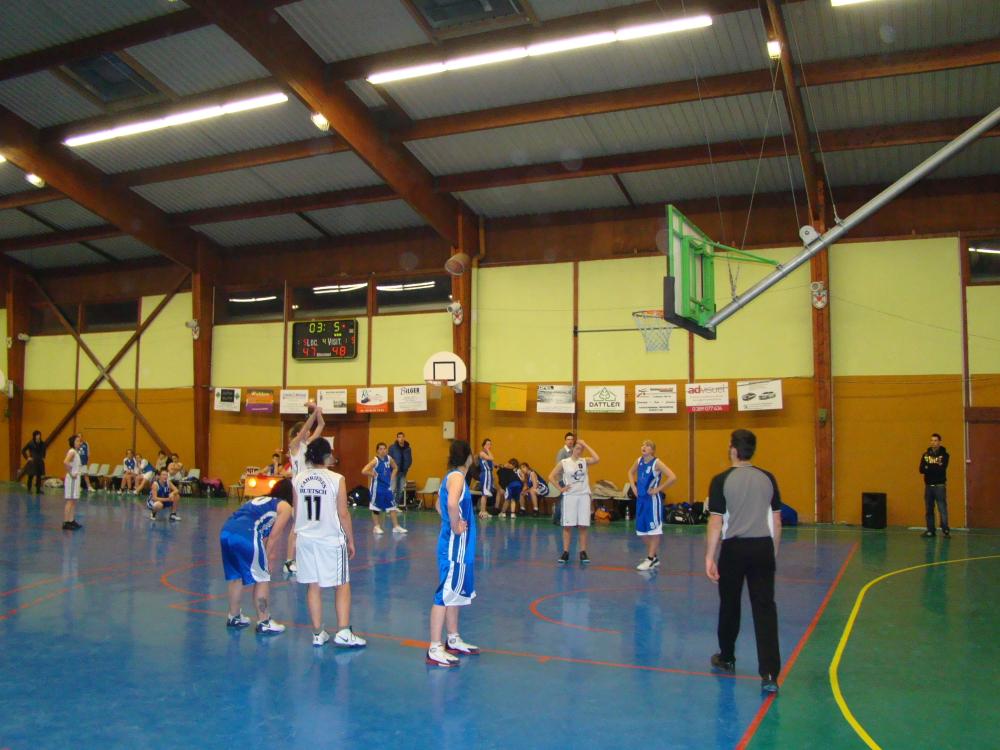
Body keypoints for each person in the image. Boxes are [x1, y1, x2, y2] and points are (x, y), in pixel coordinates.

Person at [704, 429, 782, 694]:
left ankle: (727, 656)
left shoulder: (721, 480)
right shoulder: (768, 478)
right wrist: (772, 553)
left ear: (733, 450)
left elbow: (716, 522)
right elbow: (777, 521)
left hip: (734, 549)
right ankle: (770, 673)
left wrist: (709, 556)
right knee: (765, 609)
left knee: (730, 604)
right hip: (762, 547)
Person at [292, 437, 365, 648]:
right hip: (330, 540)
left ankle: (317, 633)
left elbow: (297, 512)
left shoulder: (298, 478)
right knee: (342, 584)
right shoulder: (336, 479)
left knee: (313, 585)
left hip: (305, 540)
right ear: (326, 455)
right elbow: (343, 513)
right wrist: (350, 540)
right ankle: (343, 631)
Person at [427, 439, 480, 667]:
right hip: (453, 545)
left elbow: (439, 505)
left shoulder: (454, 476)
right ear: (467, 456)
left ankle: (453, 638)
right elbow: (449, 504)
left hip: (459, 546)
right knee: (443, 593)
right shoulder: (457, 477)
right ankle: (434, 647)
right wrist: (455, 524)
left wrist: (450, 520)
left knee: (454, 592)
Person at [220, 477, 294, 634]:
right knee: (262, 578)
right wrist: (266, 559)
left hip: (226, 532)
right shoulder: (285, 506)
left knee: (236, 576)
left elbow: (263, 530)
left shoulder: (261, 499)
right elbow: (274, 536)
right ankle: (264, 620)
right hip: (246, 534)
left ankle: (234, 616)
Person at [284, 403, 324, 576]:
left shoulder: (308, 445)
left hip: (310, 489)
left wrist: (318, 412)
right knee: (297, 526)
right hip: (298, 490)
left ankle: (304, 558)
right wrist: (313, 412)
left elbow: (321, 425)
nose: (309, 432)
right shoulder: (294, 445)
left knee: (311, 523)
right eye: (306, 431)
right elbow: (306, 428)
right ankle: (288, 561)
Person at [627, 440, 678, 570]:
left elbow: (672, 477)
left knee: (654, 531)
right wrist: (633, 486)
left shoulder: (656, 463)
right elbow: (630, 472)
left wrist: (658, 489)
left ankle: (650, 558)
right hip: (641, 500)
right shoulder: (639, 460)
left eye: (647, 446)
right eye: (643, 445)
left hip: (652, 501)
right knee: (641, 531)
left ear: (653, 450)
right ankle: (653, 556)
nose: (644, 447)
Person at [549, 439, 599, 564]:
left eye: (581, 449)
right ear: (572, 449)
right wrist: (561, 488)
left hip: (583, 496)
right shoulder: (564, 462)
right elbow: (551, 476)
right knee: (567, 526)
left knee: (583, 526)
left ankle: (583, 552)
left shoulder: (584, 461)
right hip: (570, 496)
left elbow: (597, 458)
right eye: (577, 448)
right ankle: (565, 552)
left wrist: (586, 444)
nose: (579, 450)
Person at [363, 443, 406, 534]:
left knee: (392, 506)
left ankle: (396, 526)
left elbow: (395, 468)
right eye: (381, 449)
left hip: (387, 487)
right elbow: (364, 471)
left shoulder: (389, 458)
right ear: (377, 451)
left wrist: (392, 477)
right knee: (376, 507)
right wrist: (373, 474)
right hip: (377, 488)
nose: (383, 450)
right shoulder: (375, 461)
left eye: (384, 448)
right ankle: (376, 526)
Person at [919, 432, 950, 538]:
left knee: (942, 508)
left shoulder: (945, 455)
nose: (933, 442)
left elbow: (941, 469)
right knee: (929, 509)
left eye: (935, 440)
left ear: (939, 442)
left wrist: (929, 467)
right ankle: (930, 530)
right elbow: (921, 469)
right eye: (932, 440)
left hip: (940, 486)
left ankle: (945, 530)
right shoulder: (925, 455)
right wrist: (932, 466)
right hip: (928, 486)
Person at [62, 434, 83, 530]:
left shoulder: (76, 452)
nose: (79, 443)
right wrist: (71, 473)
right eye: (77, 441)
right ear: (73, 442)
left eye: (80, 441)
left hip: (76, 479)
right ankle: (66, 522)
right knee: (70, 501)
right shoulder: (72, 452)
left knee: (73, 501)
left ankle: (71, 520)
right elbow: (65, 462)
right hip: (72, 479)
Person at [388, 431, 413, 508]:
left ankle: (396, 506)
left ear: (404, 438)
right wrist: (392, 469)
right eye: (399, 437)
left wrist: (407, 467)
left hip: (403, 472)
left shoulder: (408, 449)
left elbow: (410, 460)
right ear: (397, 438)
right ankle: (390, 506)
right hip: (394, 472)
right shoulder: (392, 448)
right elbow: (389, 459)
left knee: (400, 489)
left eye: (402, 437)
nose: (401, 439)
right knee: (393, 488)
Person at [476, 438, 496, 520]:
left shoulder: (487, 454)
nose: (489, 446)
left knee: (486, 494)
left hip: (489, 474)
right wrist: (488, 450)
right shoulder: (482, 453)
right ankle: (482, 512)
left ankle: (484, 510)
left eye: (490, 444)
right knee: (484, 493)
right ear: (483, 445)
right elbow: (491, 458)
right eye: (487, 444)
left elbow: (492, 463)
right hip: (485, 474)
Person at [21, 430, 46, 494]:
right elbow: (23, 450)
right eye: (37, 435)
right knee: (31, 476)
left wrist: (43, 456)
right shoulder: (30, 443)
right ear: (34, 436)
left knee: (39, 476)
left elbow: (44, 450)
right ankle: (29, 489)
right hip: (32, 462)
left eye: (39, 435)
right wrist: (27, 458)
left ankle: (38, 489)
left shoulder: (42, 443)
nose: (38, 436)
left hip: (39, 461)